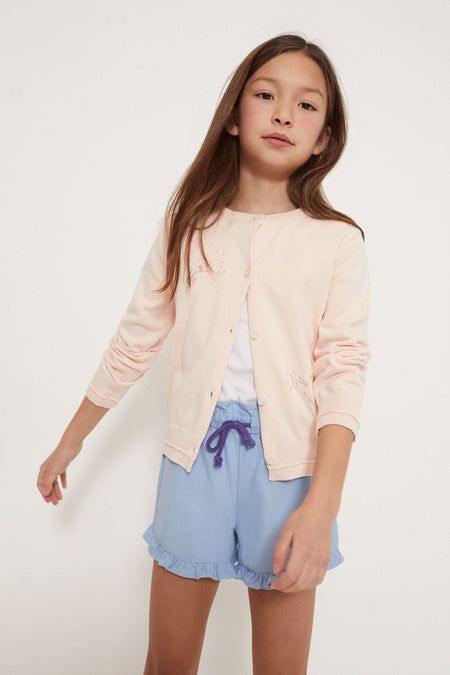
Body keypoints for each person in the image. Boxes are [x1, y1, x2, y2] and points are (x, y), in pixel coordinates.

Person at [37, 32, 371, 675]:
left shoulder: (337, 243)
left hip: (290, 471)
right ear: (234, 116)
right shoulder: (188, 224)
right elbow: (136, 339)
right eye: (266, 95)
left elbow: (342, 370)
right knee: (167, 663)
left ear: (323, 138)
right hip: (193, 460)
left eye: (306, 105)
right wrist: (69, 442)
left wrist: (322, 504)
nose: (283, 114)